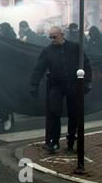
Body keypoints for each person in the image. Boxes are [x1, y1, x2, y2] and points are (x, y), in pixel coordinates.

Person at [30, 26, 92, 154]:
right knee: (54, 112)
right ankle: (55, 141)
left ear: (62, 35)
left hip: (73, 84)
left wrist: (86, 81)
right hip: (56, 85)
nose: (52, 39)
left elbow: (86, 64)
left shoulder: (75, 47)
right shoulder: (48, 51)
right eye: (50, 37)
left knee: (73, 114)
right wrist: (34, 85)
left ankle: (70, 143)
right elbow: (39, 68)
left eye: (55, 37)